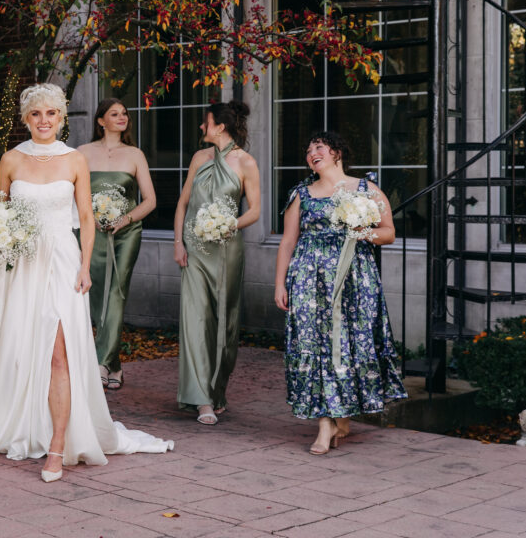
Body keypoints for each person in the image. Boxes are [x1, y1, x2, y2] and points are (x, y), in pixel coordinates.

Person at [0, 83, 173, 482]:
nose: (44, 121)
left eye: (52, 114)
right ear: (25, 119)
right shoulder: (10, 160)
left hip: (63, 261)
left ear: (61, 118)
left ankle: (58, 446)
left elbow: (86, 217)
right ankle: (28, 428)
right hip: (24, 266)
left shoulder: (75, 159)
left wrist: (84, 267)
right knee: (27, 350)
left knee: (60, 353)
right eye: (36, 114)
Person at [274, 132, 407, 454]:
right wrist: (280, 283)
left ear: (336, 152)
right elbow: (288, 241)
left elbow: (388, 233)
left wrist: (360, 231)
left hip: (353, 279)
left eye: (318, 147)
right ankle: (325, 423)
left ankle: (342, 412)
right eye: (308, 150)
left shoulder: (365, 189)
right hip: (308, 279)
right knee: (315, 343)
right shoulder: (301, 193)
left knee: (346, 344)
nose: (311, 153)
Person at [174, 101, 261, 426]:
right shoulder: (199, 158)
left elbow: (253, 210)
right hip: (195, 251)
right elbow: (182, 204)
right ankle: (201, 400)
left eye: (205, 122)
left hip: (226, 249)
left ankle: (217, 389)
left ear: (220, 126)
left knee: (224, 321)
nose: (201, 127)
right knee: (195, 320)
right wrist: (178, 242)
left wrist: (228, 224)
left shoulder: (246, 162)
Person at [77, 98, 156, 390]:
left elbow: (150, 200)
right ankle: (114, 365)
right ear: (101, 121)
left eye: (124, 113)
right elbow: (72, 192)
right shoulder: (82, 153)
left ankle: (99, 363)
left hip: (125, 233)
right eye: (114, 113)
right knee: (97, 298)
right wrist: (89, 217)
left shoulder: (135, 154)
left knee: (116, 294)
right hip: (91, 232)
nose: (122, 117)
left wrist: (125, 220)